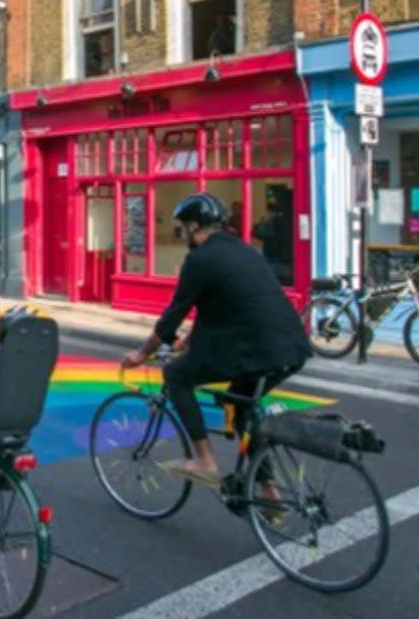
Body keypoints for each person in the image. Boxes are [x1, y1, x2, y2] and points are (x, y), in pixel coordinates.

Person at [121, 193, 311, 486]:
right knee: (243, 408)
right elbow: (220, 303)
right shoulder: (243, 250)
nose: (183, 234)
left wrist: (141, 354)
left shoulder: (200, 259)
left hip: (256, 347)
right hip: (292, 347)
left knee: (176, 375)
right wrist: (190, 340)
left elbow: (172, 317)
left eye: (183, 228)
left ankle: (204, 461)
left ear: (195, 226)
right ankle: (269, 492)